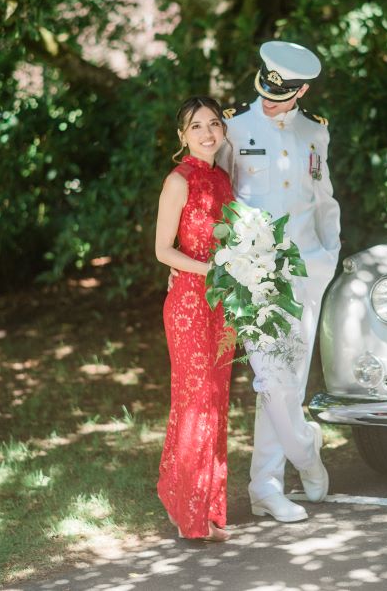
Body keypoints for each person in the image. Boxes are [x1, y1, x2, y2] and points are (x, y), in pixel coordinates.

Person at [218, 41, 341, 523]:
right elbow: (222, 197)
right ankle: (302, 454)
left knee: (289, 378)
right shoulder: (235, 126)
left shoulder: (316, 132)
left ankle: (269, 483)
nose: (270, 100)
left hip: (308, 268)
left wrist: (328, 258)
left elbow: (324, 199)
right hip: (256, 275)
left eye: (281, 94)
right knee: (272, 380)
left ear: (302, 90)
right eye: (265, 90)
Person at [155, 96, 236, 542]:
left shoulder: (223, 180)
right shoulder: (178, 180)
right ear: (182, 136)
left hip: (223, 305)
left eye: (214, 124)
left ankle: (198, 502)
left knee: (216, 403)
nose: (208, 133)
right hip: (189, 304)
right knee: (194, 403)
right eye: (197, 126)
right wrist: (213, 271)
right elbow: (163, 250)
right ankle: (188, 510)